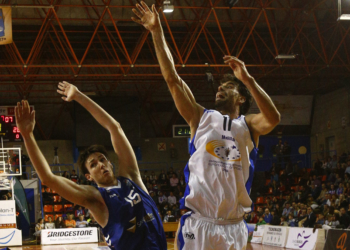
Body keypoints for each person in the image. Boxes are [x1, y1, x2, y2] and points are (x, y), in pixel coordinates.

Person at [132, 2, 280, 250]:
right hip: (199, 223)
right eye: (220, 86)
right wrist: (157, 32)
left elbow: (273, 118)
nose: (220, 87)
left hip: (235, 225)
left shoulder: (248, 125)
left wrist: (248, 79)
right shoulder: (200, 116)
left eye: (229, 86)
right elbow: (172, 79)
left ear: (242, 98)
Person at [16, 87, 166, 249]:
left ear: (110, 162)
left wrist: (79, 96)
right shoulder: (97, 198)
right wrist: (27, 136)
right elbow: (48, 178)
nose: (100, 165)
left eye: (102, 160)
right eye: (93, 165)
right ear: (89, 177)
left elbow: (114, 127)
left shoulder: (131, 176)